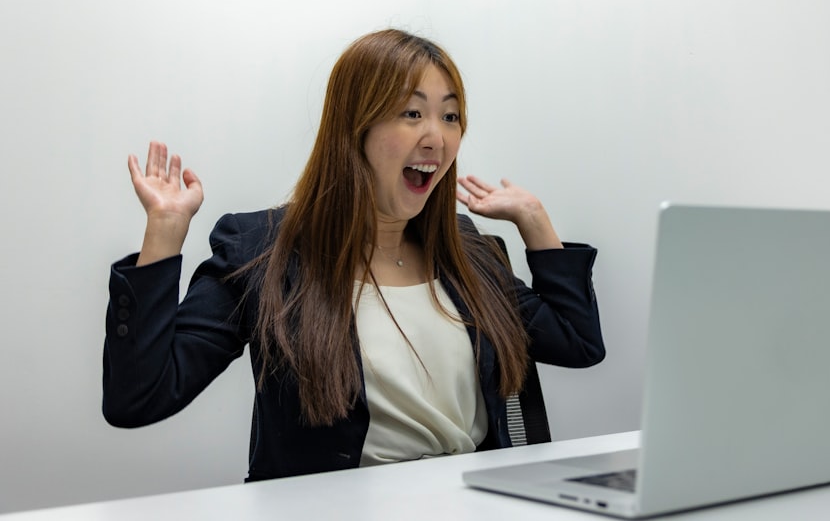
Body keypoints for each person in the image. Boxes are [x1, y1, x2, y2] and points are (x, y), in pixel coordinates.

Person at [103, 28, 605, 481]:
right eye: (413, 113)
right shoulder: (262, 251)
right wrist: (165, 233)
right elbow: (140, 397)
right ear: (354, 127)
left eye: (450, 116)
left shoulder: (466, 251)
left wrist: (535, 222)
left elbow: (578, 344)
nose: (437, 135)